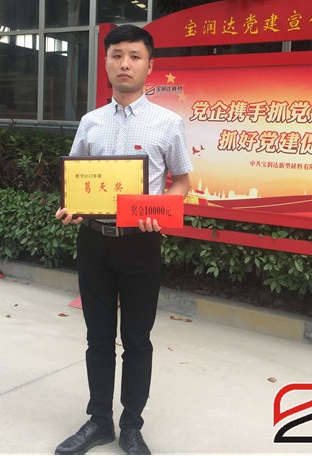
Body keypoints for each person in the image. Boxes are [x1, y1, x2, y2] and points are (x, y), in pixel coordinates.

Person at [53, 24, 193, 455]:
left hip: (140, 244)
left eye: (135, 56)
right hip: (94, 242)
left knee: (136, 339)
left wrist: (160, 211)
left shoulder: (167, 123)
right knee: (97, 337)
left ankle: (131, 424)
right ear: (106, 63)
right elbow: (77, 179)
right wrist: (70, 206)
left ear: (150, 65)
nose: (125, 64)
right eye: (117, 55)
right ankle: (99, 421)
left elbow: (181, 182)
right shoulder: (90, 122)